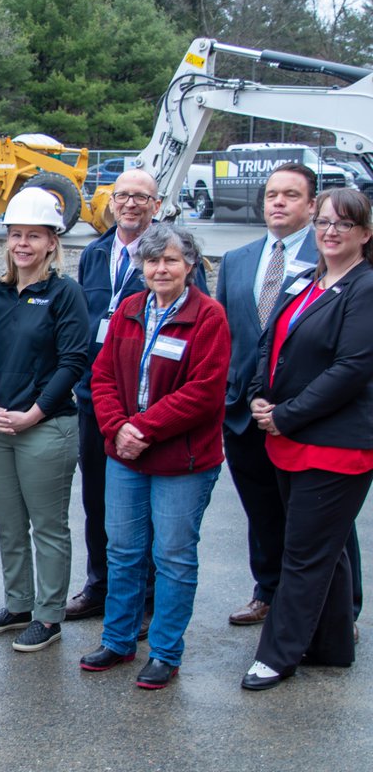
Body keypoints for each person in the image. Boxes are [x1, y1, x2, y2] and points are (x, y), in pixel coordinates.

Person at [79, 224, 229, 690]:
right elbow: (101, 376)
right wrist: (116, 427)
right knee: (123, 552)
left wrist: (143, 428)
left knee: (173, 556)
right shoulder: (128, 309)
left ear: (190, 266)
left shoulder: (209, 317)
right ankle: (119, 641)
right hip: (126, 454)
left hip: (181, 461)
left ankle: (164, 651)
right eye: (152, 261)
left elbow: (204, 392)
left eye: (170, 260)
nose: (160, 269)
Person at [215, 163, 362, 629]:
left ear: (312, 205)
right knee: (261, 508)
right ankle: (268, 591)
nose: (278, 203)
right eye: (272, 195)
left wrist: (289, 408)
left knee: (322, 521)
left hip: (305, 416)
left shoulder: (327, 262)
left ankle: (342, 609)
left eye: (291, 195)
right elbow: (232, 335)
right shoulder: (237, 259)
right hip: (245, 410)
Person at [242, 189, 373, 691]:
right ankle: (333, 645)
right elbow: (268, 345)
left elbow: (353, 368)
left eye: (345, 223)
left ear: (364, 233)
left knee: (303, 554)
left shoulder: (364, 288)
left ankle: (277, 655)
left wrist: (288, 415)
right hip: (289, 437)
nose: (331, 231)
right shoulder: (307, 283)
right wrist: (258, 396)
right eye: (324, 222)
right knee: (327, 550)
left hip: (334, 445)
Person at [68, 168, 208, 622]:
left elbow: (194, 327)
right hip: (99, 398)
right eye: (123, 196)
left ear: (156, 203)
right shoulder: (94, 253)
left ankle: (146, 599)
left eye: (141, 197)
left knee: (151, 508)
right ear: (111, 202)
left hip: (153, 403)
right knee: (98, 498)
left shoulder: (174, 257)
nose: (130, 204)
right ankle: (100, 584)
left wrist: (144, 423)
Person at [0, 188, 89, 652]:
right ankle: (18, 603)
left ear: (51, 242)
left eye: (33, 236)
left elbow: (73, 362)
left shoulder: (64, 294)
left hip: (46, 427)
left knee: (48, 526)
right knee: (9, 524)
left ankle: (48, 615)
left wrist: (34, 413)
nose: (22, 244)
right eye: (16, 235)